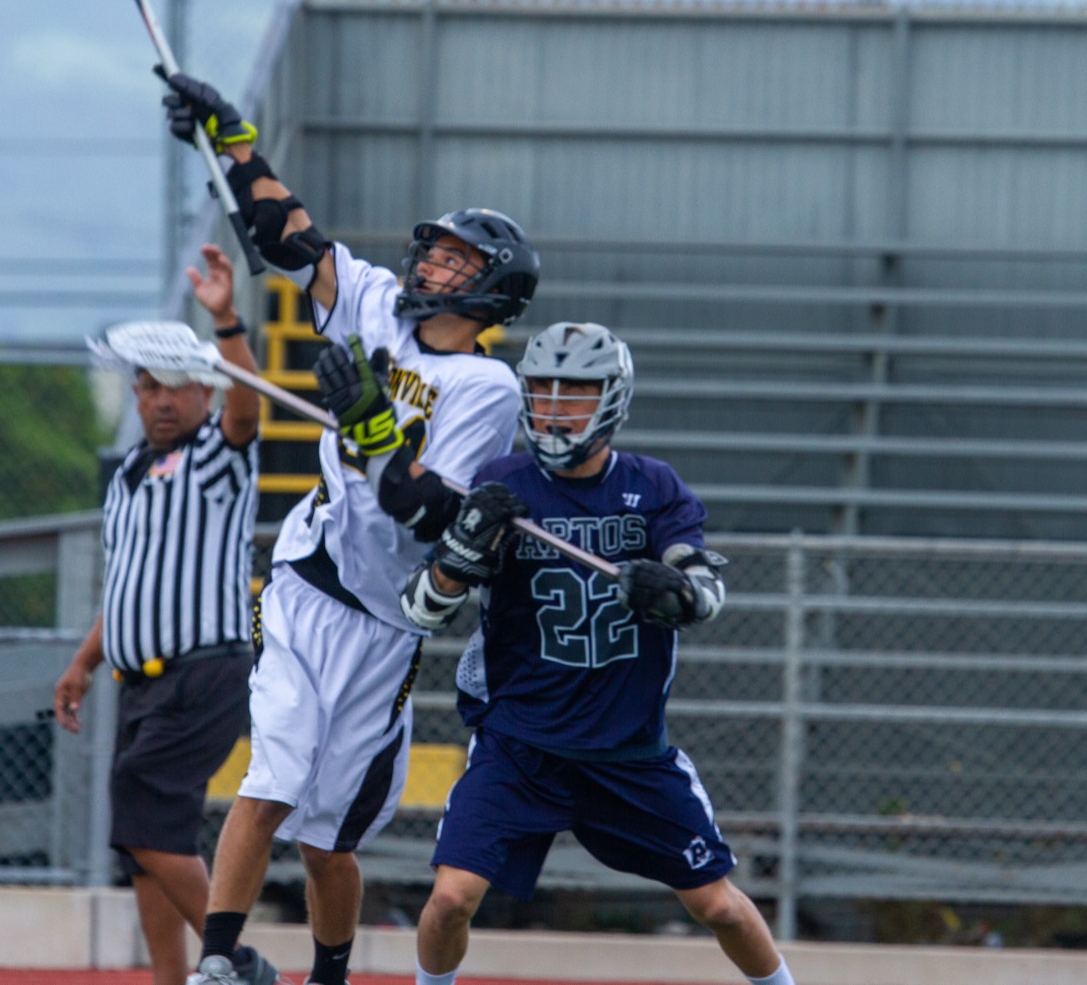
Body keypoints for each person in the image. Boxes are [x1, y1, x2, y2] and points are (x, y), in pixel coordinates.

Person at [158, 73, 541, 985]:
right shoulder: (372, 301)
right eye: (435, 250)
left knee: (328, 840)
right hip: (308, 579)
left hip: (385, 617)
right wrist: (232, 139)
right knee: (270, 779)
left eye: (455, 259)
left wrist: (371, 423)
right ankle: (218, 965)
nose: (431, 264)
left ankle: (328, 974)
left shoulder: (486, 389)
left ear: (491, 289)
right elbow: (283, 231)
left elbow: (430, 513)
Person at [398, 321, 797, 985]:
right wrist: (460, 555)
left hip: (626, 750)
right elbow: (421, 610)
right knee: (449, 899)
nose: (555, 407)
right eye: (544, 390)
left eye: (576, 391)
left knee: (720, 906)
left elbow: (704, 589)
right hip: (520, 745)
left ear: (612, 398)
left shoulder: (652, 486)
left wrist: (673, 592)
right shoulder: (501, 483)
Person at [52, 244, 269, 985]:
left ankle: (239, 964)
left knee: (146, 825)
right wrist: (83, 662)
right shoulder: (131, 475)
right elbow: (127, 585)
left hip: (201, 671)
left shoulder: (215, 457)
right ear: (136, 395)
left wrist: (226, 322)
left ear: (206, 391)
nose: (163, 400)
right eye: (149, 387)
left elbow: (248, 412)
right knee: (144, 849)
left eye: (179, 387)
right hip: (142, 681)